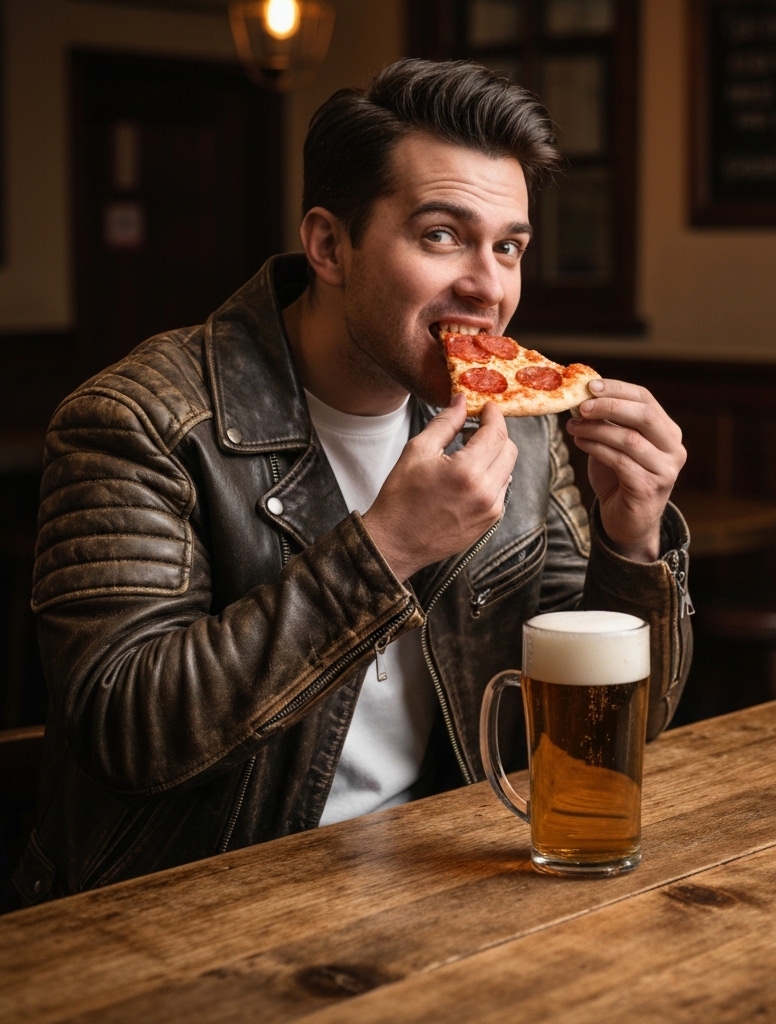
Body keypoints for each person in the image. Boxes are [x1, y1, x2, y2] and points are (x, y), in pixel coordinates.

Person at [14, 59, 692, 906]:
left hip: (441, 880)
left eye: (509, 246)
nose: (487, 286)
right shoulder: (135, 419)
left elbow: (583, 743)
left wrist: (633, 538)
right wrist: (386, 549)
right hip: (184, 911)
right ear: (331, 245)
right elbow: (126, 729)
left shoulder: (520, 421)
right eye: (442, 235)